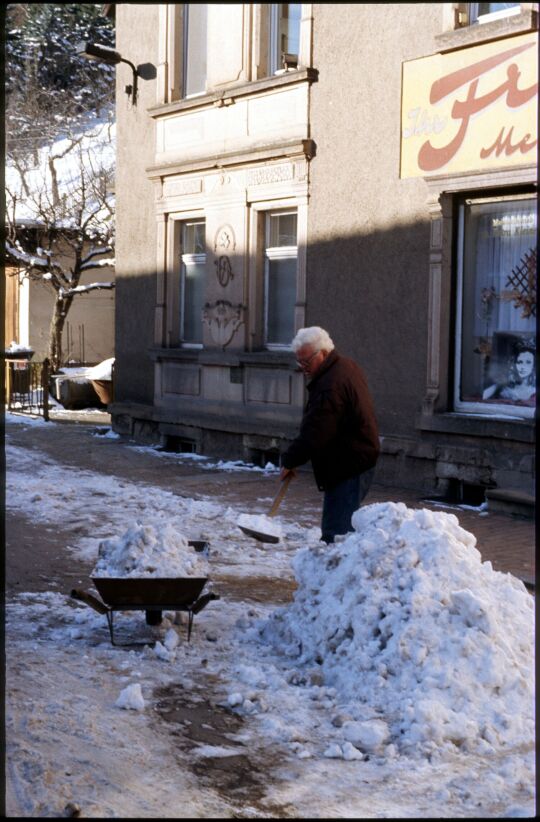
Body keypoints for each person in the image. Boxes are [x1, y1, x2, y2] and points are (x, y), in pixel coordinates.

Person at [280, 326, 380, 543]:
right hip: (353, 459)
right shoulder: (345, 366)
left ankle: (338, 572)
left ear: (323, 354)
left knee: (337, 534)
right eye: (300, 363)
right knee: (340, 527)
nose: (303, 368)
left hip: (349, 464)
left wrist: (290, 460)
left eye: (306, 362)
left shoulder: (330, 385)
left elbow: (316, 431)